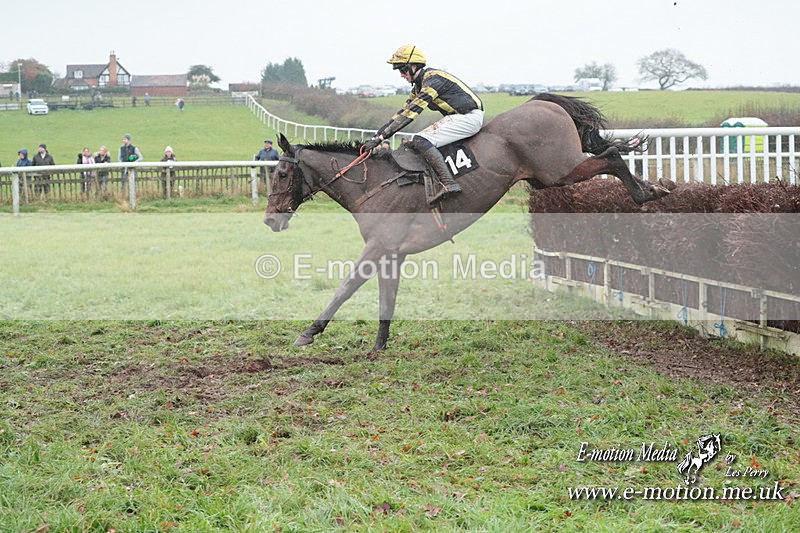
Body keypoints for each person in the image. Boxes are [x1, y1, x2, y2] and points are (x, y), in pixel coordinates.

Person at [362, 45, 485, 201]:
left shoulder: (432, 81)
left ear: (413, 66)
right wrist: (377, 136)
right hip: (459, 117)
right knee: (415, 141)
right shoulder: (419, 86)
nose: (401, 75)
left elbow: (410, 114)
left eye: (402, 70)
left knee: (421, 140)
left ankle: (449, 183)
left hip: (468, 117)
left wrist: (380, 138)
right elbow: (402, 113)